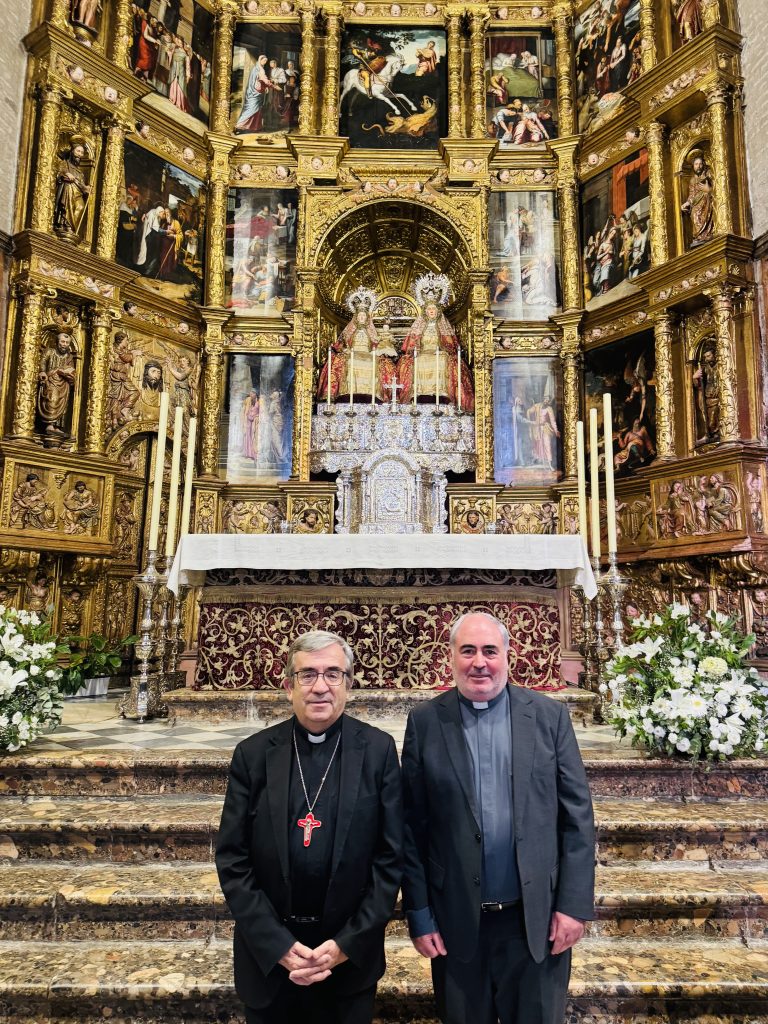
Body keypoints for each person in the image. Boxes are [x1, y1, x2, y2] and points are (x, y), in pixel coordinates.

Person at [401, 611, 595, 1024]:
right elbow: (411, 827)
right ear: (450, 657)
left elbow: (577, 817)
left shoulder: (548, 717)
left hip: (536, 923)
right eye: (467, 650)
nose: (479, 662)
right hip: (456, 924)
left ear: (509, 655)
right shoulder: (425, 722)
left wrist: (574, 906)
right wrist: (419, 914)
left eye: (490, 650)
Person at [216, 630, 402, 1024]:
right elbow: (233, 859)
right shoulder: (253, 755)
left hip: (347, 962)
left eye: (333, 674)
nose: (321, 686)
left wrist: (346, 945)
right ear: (288, 685)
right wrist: (278, 946)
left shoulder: (378, 751)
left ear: (349, 684)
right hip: (270, 960)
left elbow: (390, 860)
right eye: (308, 675)